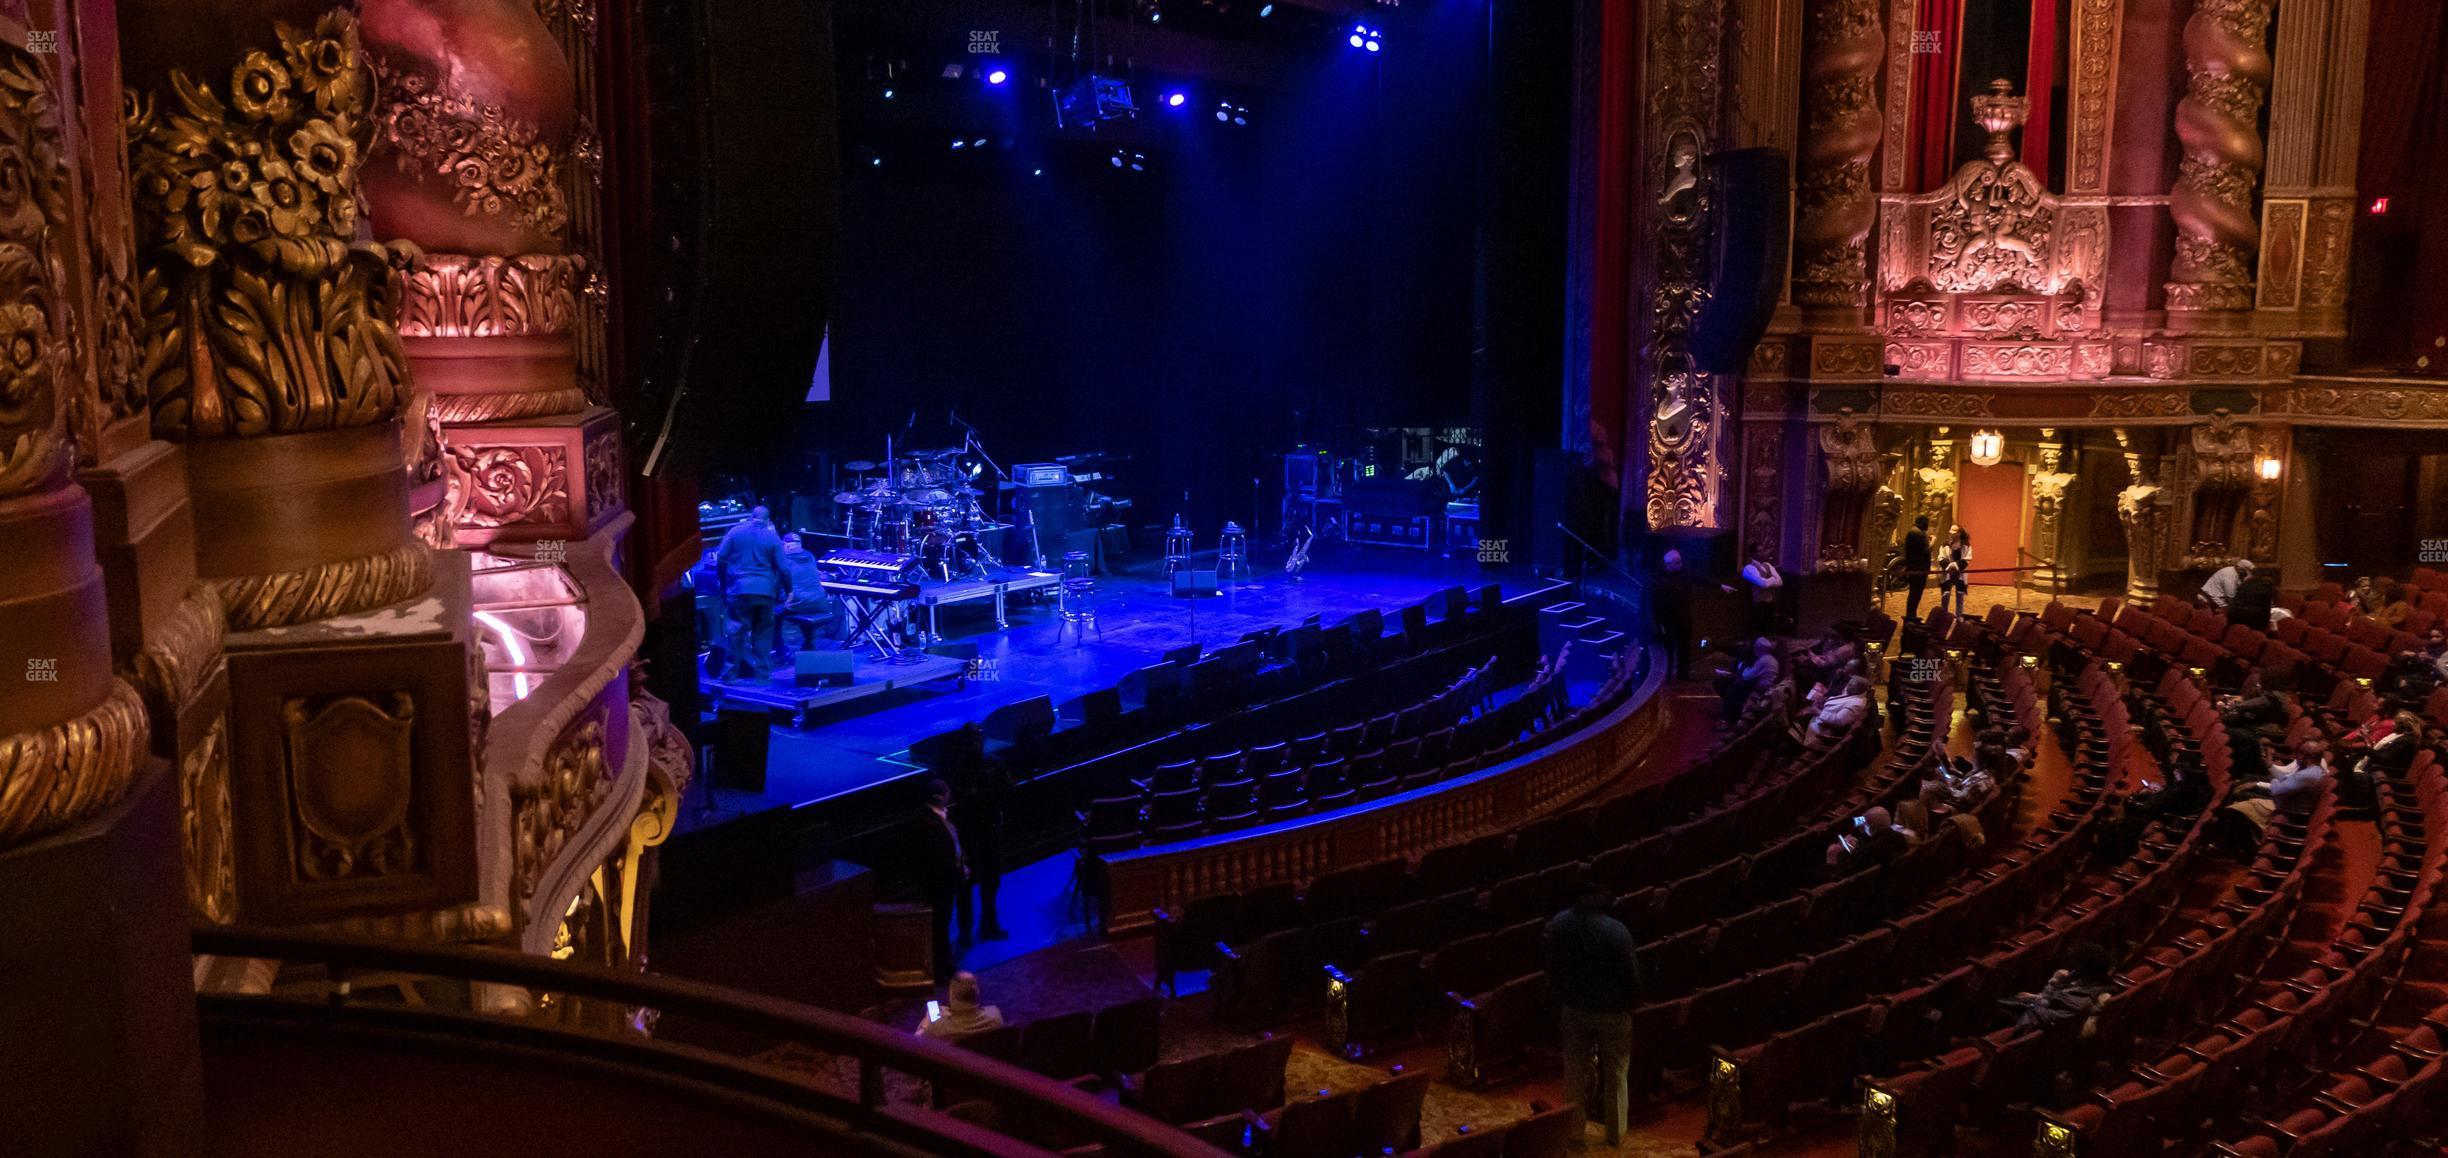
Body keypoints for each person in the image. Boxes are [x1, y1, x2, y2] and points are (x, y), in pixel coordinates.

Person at [1545, 874, 1642, 1150]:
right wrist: (1633, 1003)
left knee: (1574, 1071)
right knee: (1616, 1072)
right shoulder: (1616, 931)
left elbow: (1553, 968)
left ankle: (1574, 1133)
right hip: (1613, 1013)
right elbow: (1631, 976)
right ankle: (1615, 1134)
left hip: (1574, 1008)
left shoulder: (1560, 924)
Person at [714, 505, 790, 680]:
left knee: (736, 632)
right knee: (762, 633)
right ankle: (763, 676)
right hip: (765, 591)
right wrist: (789, 590)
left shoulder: (735, 532)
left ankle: (729, 675)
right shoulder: (772, 537)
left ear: (751, 517)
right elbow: (784, 569)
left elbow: (721, 558)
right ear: (768, 520)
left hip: (739, 590)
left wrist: (724, 582)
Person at [915, 778, 969, 986]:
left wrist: (962, 863)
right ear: (938, 797)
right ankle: (940, 970)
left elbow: (953, 845)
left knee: (943, 924)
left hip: (948, 879)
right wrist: (956, 869)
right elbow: (938, 857)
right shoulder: (928, 823)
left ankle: (945, 965)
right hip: (938, 883)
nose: (950, 794)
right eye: (946, 792)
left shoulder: (942, 816)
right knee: (939, 926)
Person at [2002, 943, 2114, 1033]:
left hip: (2033, 1025)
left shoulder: (2078, 997)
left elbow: (2045, 1006)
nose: (2072, 970)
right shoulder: (2097, 987)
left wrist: (2053, 982)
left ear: (2084, 970)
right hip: (2041, 1017)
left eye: (2076, 966)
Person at [916, 971, 1005, 1041]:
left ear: (951, 994)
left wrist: (926, 1023)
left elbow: (916, 1043)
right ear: (977, 991)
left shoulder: (938, 1027)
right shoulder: (995, 1015)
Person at [1652, 549, 1697, 682]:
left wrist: (1719, 586)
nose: (1680, 565)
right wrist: (1657, 622)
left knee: (1684, 649)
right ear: (1668, 564)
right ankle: (1667, 675)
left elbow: (1699, 579)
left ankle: (1683, 675)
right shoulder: (1659, 580)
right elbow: (1655, 603)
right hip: (1668, 621)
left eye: (1680, 562)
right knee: (1669, 650)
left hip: (1683, 619)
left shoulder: (1683, 575)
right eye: (1677, 563)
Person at [1826, 806, 1915, 872]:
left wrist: (1844, 849)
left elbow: (1848, 864)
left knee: (1833, 851)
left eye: (1865, 822)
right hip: (1894, 876)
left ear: (1870, 825)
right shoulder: (1899, 837)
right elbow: (1876, 841)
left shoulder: (1867, 851)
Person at [1740, 545, 1784, 637]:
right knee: (1758, 631)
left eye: (1764, 550)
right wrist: (1773, 578)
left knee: (1769, 629)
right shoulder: (1749, 568)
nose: (1764, 552)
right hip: (1757, 604)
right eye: (1760, 551)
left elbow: (1780, 582)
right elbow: (1763, 584)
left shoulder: (1768, 565)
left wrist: (1769, 581)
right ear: (1753, 554)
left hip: (1771, 602)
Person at [1900, 516, 1933, 622]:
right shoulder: (1917, 533)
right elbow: (1926, 551)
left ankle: (1911, 616)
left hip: (1916, 568)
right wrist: (1933, 541)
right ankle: (1910, 617)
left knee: (1914, 594)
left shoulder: (1915, 532)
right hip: (1918, 569)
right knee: (1915, 594)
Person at [1937, 525, 1972, 617]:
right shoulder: (1945, 545)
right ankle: (1943, 615)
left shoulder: (1965, 546)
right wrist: (1949, 565)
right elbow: (1941, 557)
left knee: (1960, 595)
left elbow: (1967, 559)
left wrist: (1955, 565)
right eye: (1950, 530)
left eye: (1954, 531)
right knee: (1946, 595)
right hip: (1947, 573)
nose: (1951, 532)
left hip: (1960, 574)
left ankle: (1958, 616)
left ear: (1959, 533)